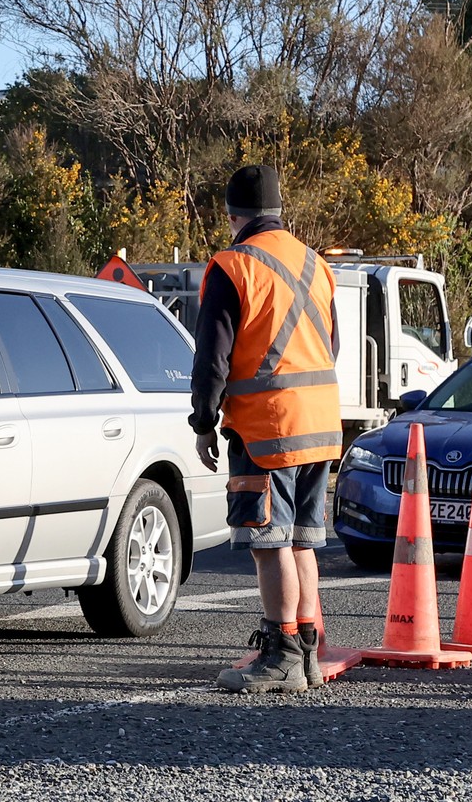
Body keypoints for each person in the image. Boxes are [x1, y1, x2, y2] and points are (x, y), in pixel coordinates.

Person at [191, 165, 342, 694]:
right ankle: (306, 653)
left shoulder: (232, 265)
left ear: (232, 215)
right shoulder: (316, 264)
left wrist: (204, 421)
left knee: (267, 541)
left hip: (268, 428)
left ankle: (279, 653)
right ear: (279, 210)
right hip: (321, 423)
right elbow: (331, 345)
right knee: (301, 542)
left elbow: (212, 357)